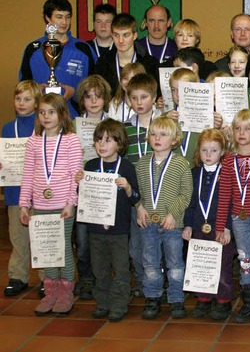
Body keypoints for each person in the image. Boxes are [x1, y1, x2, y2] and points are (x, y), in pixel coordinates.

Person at [19, 93, 84, 316]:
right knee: (45, 249)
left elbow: (76, 173)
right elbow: (27, 174)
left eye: (52, 112)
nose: (46, 116)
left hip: (62, 207)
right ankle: (50, 291)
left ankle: (65, 290)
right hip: (40, 205)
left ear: (62, 114)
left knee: (63, 248)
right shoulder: (33, 141)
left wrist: (70, 203)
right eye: (42, 112)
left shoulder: (71, 139)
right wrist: (24, 204)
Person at [75, 119, 140, 322]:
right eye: (98, 140)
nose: (102, 145)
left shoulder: (127, 167)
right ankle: (102, 302)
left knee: (120, 268)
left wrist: (128, 187)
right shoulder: (91, 165)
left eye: (108, 140)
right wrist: (79, 183)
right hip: (95, 228)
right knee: (99, 268)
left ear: (120, 144)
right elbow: (83, 197)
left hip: (119, 230)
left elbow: (136, 198)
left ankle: (119, 303)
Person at [215, 109, 250, 325]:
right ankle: (248, 304)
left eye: (247, 128)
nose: (242, 132)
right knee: (245, 261)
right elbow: (224, 196)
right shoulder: (229, 161)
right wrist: (221, 226)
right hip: (239, 220)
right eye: (237, 128)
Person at [136, 116, 193, 320]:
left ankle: (176, 298)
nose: (157, 138)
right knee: (150, 262)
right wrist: (139, 207)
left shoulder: (181, 164)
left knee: (175, 263)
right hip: (148, 224)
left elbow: (186, 193)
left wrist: (173, 214)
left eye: (163, 134)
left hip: (172, 224)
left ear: (175, 139)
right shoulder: (142, 164)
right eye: (153, 134)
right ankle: (152, 296)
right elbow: (138, 192)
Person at [183, 128, 236, 321]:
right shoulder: (194, 173)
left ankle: (223, 300)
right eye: (204, 150)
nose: (208, 155)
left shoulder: (228, 173)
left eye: (214, 150)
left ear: (222, 151)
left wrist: (227, 227)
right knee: (200, 263)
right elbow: (190, 202)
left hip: (220, 228)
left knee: (223, 265)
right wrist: (188, 225)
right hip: (199, 226)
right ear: (198, 151)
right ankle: (203, 298)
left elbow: (232, 202)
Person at [19, 0, 95, 116]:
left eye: (68, 17)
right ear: (47, 18)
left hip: (74, 118)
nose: (64, 22)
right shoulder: (33, 49)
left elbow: (96, 86)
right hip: (41, 118)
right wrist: (35, 91)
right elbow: (22, 89)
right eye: (59, 17)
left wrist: (75, 93)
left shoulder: (83, 49)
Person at [73, 75, 112, 300]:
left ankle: (104, 277)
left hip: (106, 188)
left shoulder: (114, 124)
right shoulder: (73, 126)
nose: (94, 101)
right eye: (88, 97)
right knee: (83, 239)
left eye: (98, 97)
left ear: (105, 99)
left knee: (107, 239)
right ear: (82, 101)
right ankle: (86, 277)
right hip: (84, 188)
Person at [123, 73, 162, 297]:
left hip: (161, 194)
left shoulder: (165, 123)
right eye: (134, 98)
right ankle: (141, 279)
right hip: (135, 197)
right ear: (128, 100)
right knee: (136, 244)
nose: (139, 103)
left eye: (144, 97)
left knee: (161, 241)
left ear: (154, 97)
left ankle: (161, 279)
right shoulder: (125, 128)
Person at [2, 80, 42, 297]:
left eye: (27, 99)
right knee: (18, 236)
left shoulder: (43, 125)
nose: (21, 103)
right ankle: (18, 276)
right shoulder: (7, 128)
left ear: (37, 103)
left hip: (40, 192)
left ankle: (48, 277)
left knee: (42, 234)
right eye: (18, 98)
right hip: (15, 191)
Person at [95, 13, 159, 97]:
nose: (120, 40)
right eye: (116, 35)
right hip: (111, 109)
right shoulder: (103, 63)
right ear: (111, 36)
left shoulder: (150, 64)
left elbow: (155, 95)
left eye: (126, 35)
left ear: (135, 35)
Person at [164, 68, 201, 165]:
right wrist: (165, 123)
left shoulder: (205, 117)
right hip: (171, 171)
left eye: (183, 89)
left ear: (194, 89)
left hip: (197, 169)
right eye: (174, 90)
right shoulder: (165, 117)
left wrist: (216, 128)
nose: (178, 94)